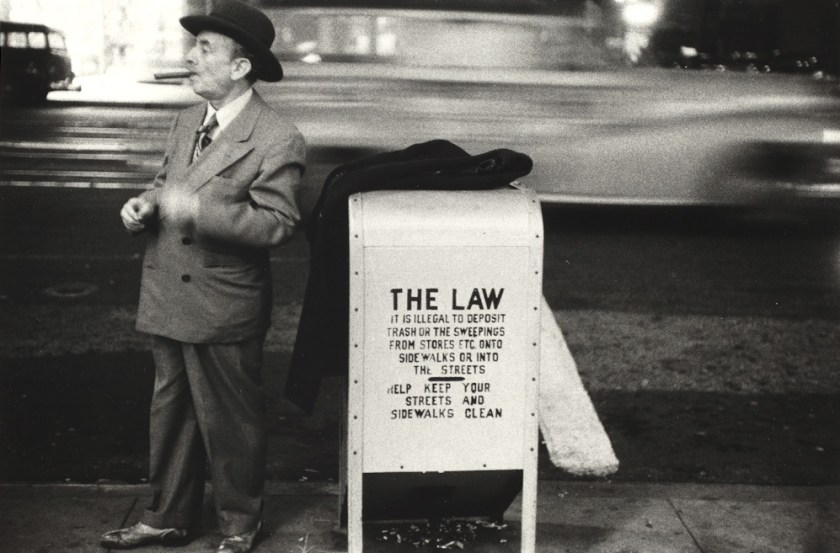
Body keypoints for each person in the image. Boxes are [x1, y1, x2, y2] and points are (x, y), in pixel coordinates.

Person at [100, 2, 305, 552]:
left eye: (205, 49)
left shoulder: (277, 137)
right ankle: (167, 515)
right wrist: (142, 205)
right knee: (170, 415)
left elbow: (278, 224)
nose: (190, 57)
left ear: (241, 67)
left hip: (222, 304)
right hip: (169, 294)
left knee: (231, 423)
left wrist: (197, 211)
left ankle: (241, 525)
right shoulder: (187, 120)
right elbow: (165, 182)